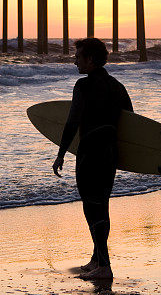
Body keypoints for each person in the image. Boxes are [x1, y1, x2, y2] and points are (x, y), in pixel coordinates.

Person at [53, 38, 133, 280]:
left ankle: (105, 266)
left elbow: (72, 120)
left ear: (90, 59)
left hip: (90, 152)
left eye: (78, 56)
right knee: (102, 205)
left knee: (91, 206)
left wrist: (61, 153)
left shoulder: (83, 86)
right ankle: (97, 258)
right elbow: (131, 120)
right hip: (109, 153)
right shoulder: (116, 86)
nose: (75, 61)